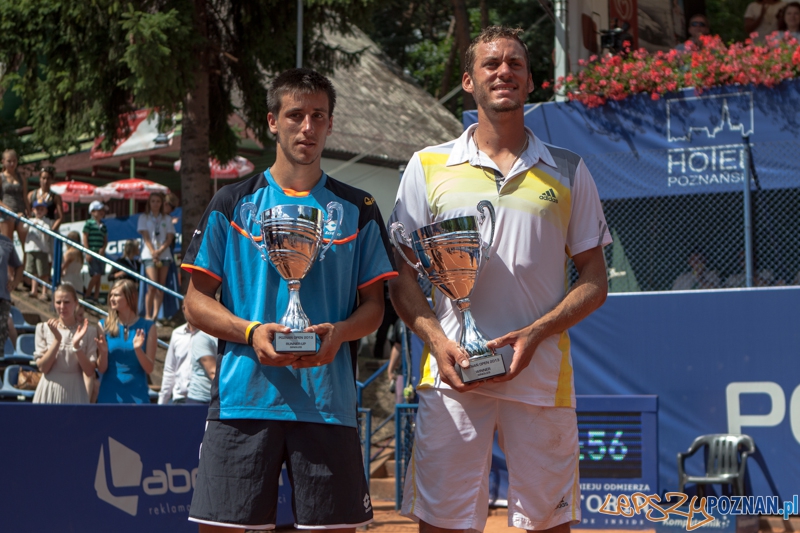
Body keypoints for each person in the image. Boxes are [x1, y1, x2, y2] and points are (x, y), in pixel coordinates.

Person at [388, 26, 611, 533]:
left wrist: (535, 334)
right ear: (468, 81)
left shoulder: (569, 170)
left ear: (531, 82)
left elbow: (594, 279)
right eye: (490, 64)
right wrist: (436, 340)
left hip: (541, 378)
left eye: (514, 63)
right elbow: (400, 276)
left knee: (548, 525)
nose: (503, 71)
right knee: (441, 524)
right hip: (451, 375)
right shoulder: (427, 166)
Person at [182, 68, 396, 532]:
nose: (308, 127)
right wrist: (252, 331)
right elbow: (195, 303)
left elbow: (375, 308)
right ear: (272, 121)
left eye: (319, 116)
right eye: (295, 114)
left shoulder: (358, 209)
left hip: (328, 403)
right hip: (243, 402)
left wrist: (339, 332)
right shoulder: (232, 202)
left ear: (330, 124)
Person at [32, 283, 99, 403]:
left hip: (76, 390)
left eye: (67, 302)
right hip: (49, 390)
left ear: (76, 303)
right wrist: (57, 340)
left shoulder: (89, 331)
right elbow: (43, 367)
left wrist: (77, 346)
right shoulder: (42, 328)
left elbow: (89, 371)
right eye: (58, 302)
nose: (62, 306)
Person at [96, 279, 157, 404]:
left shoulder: (148, 327)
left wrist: (138, 349)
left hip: (138, 396)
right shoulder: (103, 326)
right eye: (111, 295)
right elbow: (101, 369)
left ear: (131, 297)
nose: (112, 298)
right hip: (110, 395)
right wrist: (103, 353)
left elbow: (149, 368)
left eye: (117, 295)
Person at [138, 191, 175, 320]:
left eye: (158, 201)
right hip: (149, 254)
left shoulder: (167, 218)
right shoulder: (144, 217)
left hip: (164, 255)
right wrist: (153, 251)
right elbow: (145, 236)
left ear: (162, 203)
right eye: (153, 201)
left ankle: (155, 316)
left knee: (160, 286)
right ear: (149, 202)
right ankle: (147, 315)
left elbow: (170, 237)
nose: (155, 204)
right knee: (152, 285)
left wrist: (160, 251)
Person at [158, 312, 200, 404]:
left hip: (202, 400)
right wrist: (162, 403)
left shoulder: (211, 335)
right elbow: (170, 369)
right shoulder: (176, 333)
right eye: (185, 307)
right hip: (179, 399)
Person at [0, 149, 29, 250]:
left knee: (26, 246)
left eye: (14, 161)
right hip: (6, 214)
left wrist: (29, 214)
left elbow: (25, 197)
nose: (12, 164)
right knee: (7, 246)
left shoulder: (21, 177)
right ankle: (8, 266)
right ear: (3, 161)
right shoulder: (1, 177)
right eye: (9, 161)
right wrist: (8, 209)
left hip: (21, 213)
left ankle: (24, 266)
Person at [24, 200, 54, 301]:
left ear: (46, 211)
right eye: (37, 209)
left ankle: (44, 292)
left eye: (42, 209)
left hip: (42, 250)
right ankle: (34, 290)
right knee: (33, 272)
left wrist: (39, 225)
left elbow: (48, 232)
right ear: (33, 210)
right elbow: (24, 228)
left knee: (43, 272)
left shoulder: (46, 222)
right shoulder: (30, 220)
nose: (39, 211)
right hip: (31, 249)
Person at [0, 231, 23, 352]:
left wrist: (15, 282)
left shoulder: (6, 242)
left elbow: (18, 265)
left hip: (3, 297)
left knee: (1, 336)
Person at [82, 200, 108, 302]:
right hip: (92, 253)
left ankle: (96, 297)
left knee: (99, 275)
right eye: (99, 210)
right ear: (92, 212)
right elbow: (85, 237)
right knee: (96, 274)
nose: (102, 212)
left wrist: (103, 248)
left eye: (102, 210)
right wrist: (88, 252)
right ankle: (88, 295)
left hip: (101, 254)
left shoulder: (103, 225)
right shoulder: (88, 223)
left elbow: (105, 240)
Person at [185, 330, 217, 404]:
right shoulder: (202, 338)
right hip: (200, 400)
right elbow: (213, 372)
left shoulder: (230, 338)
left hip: (222, 399)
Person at [27, 166, 64, 231]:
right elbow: (27, 212)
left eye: (48, 178)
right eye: (43, 178)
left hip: (49, 226)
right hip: (34, 226)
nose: (45, 181)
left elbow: (60, 217)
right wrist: (31, 224)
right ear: (39, 179)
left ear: (51, 179)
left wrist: (52, 230)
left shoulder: (56, 197)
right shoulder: (31, 195)